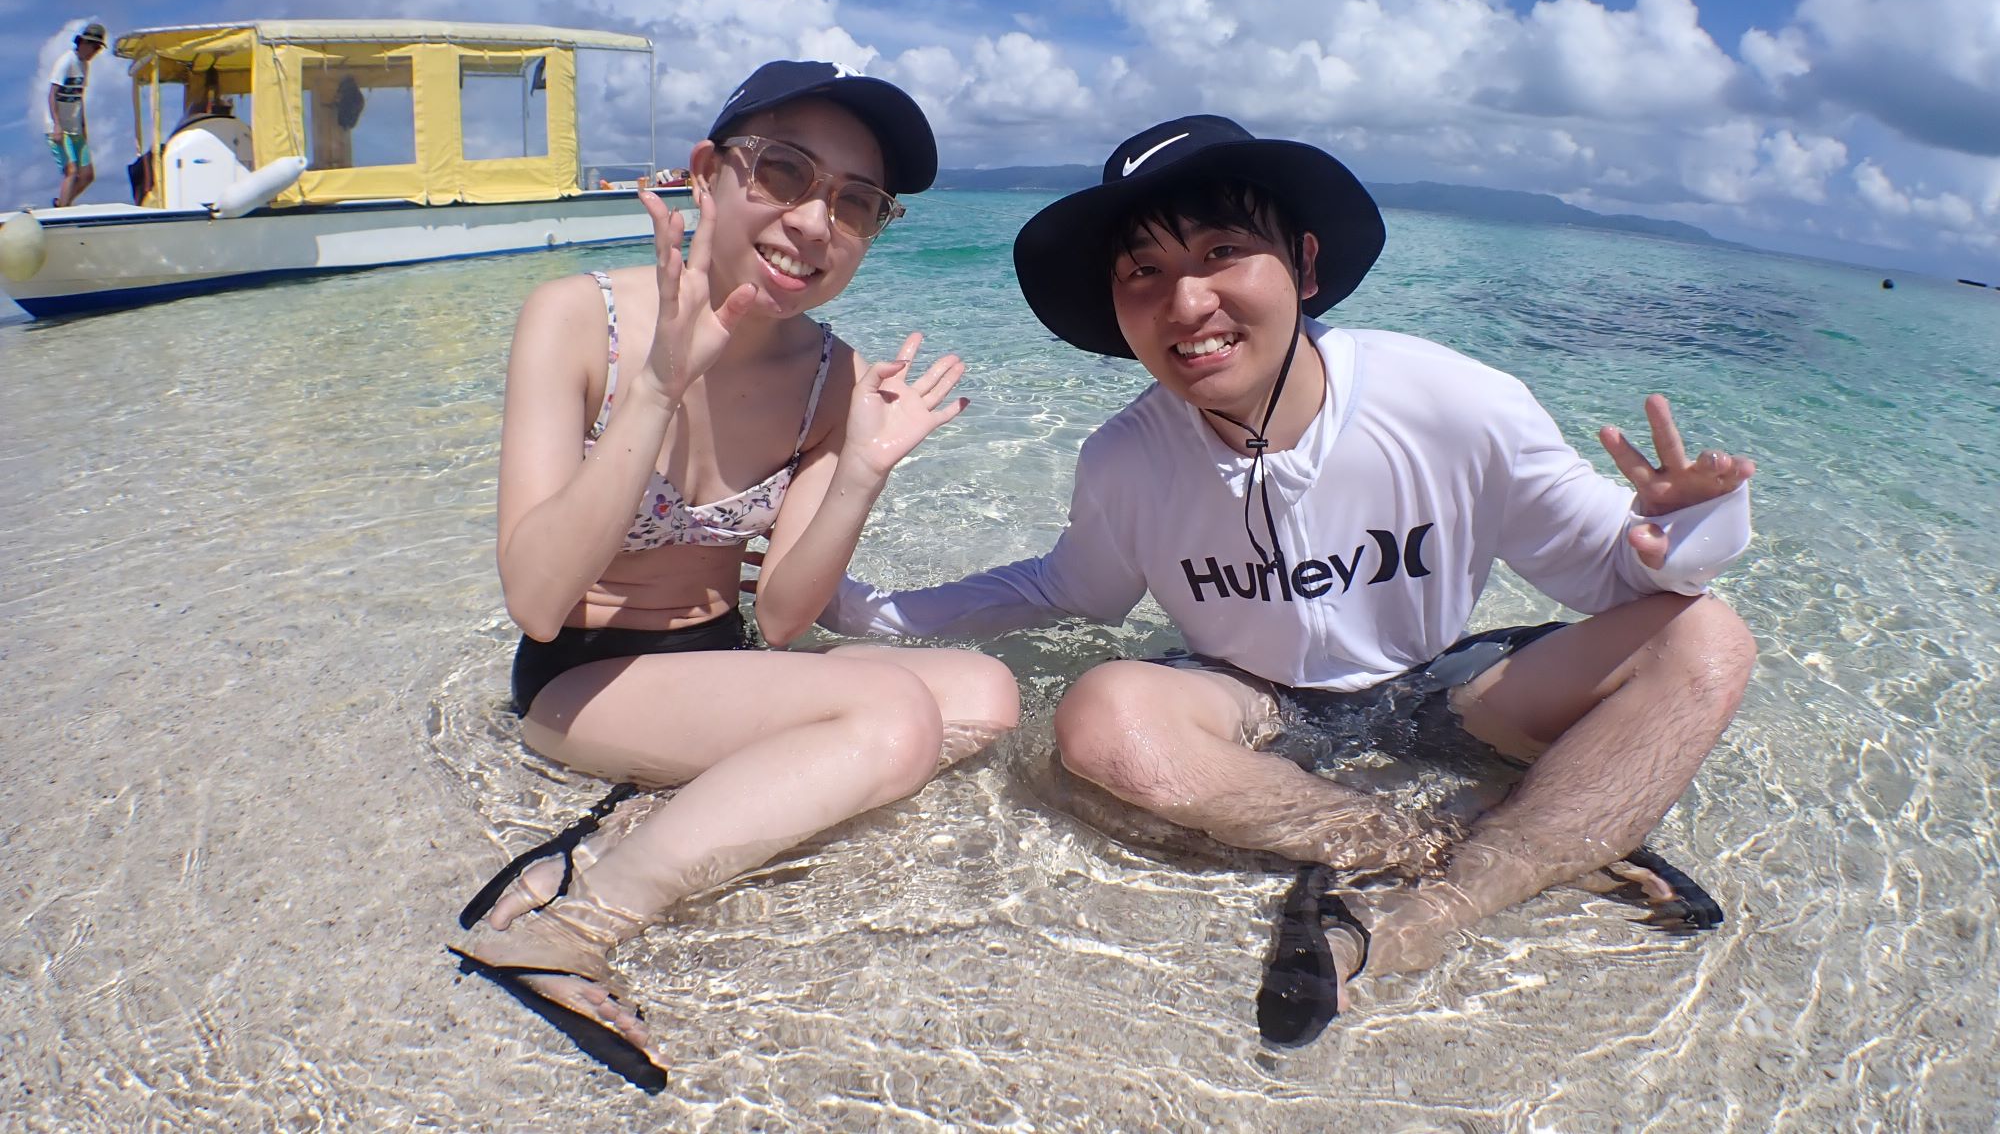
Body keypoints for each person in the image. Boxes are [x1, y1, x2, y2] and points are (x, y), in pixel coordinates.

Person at [821, 114, 1756, 1029]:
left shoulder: (1451, 401)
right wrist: (866, 611)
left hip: (1443, 689)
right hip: (1256, 704)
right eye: (1145, 271)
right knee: (1104, 718)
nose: (1188, 303)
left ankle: (1434, 913)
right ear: (1117, 308)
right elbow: (1068, 591)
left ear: (1305, 267)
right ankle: (1488, 845)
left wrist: (1688, 530)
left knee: (1705, 638)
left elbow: (1614, 576)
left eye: (1223, 252)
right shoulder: (1125, 457)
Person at [450, 61, 1020, 1088]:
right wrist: (659, 387)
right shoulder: (576, 318)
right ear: (708, 172)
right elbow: (534, 601)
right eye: (784, 173)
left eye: (855, 202)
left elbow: (787, 619)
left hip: (718, 660)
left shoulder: (833, 376)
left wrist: (859, 471)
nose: (815, 221)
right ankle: (574, 922)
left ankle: (649, 814)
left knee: (985, 692)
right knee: (893, 718)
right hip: (579, 677)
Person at [46, 22, 105, 207]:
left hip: (75, 128)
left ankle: (63, 204)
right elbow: (52, 94)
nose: (96, 52)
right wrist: (57, 125)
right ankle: (63, 211)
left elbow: (80, 98)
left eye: (99, 48)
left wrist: (83, 126)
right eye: (95, 47)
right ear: (84, 43)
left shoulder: (85, 66)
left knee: (87, 175)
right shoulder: (66, 61)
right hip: (59, 127)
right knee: (71, 171)